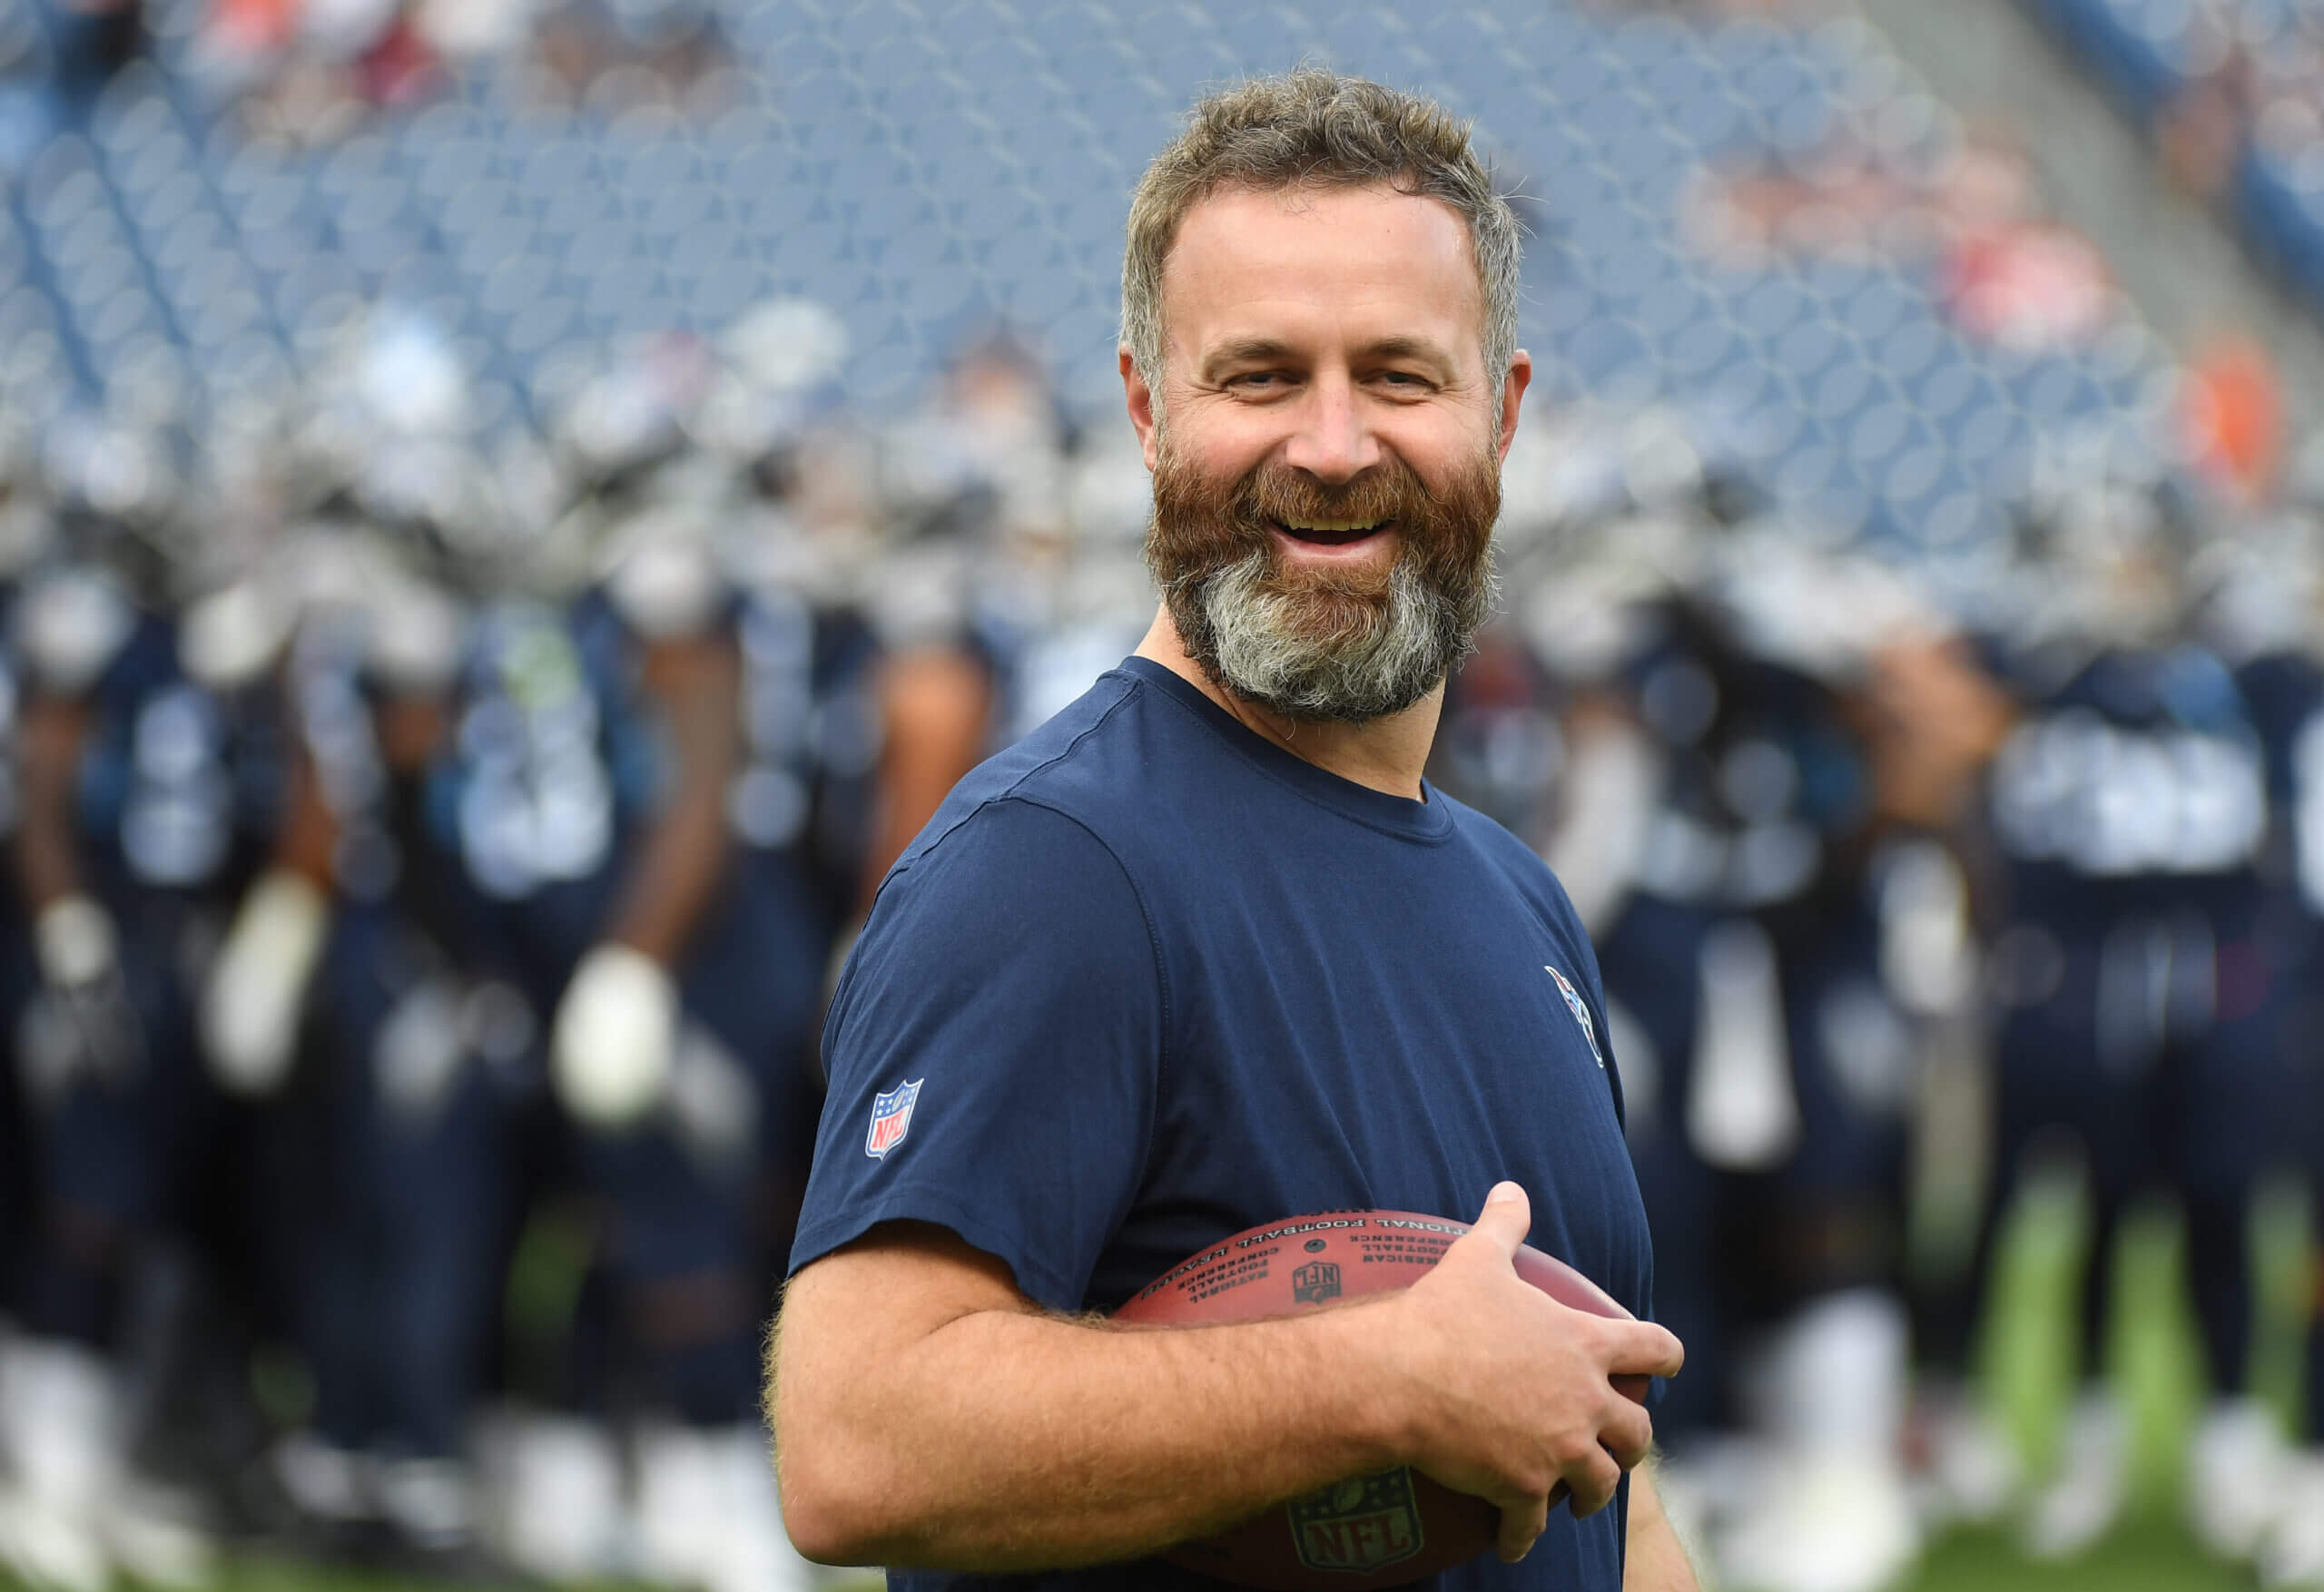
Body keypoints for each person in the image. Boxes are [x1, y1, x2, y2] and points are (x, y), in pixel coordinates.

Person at [771, 69, 1690, 1592]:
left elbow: (1613, 1497)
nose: (1332, 448)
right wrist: (1382, 1380)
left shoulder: (1522, 905)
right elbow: (855, 1435)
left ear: (1504, 413)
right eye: (1259, 376)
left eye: (1400, 375)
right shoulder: (1055, 869)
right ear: (1145, 407)